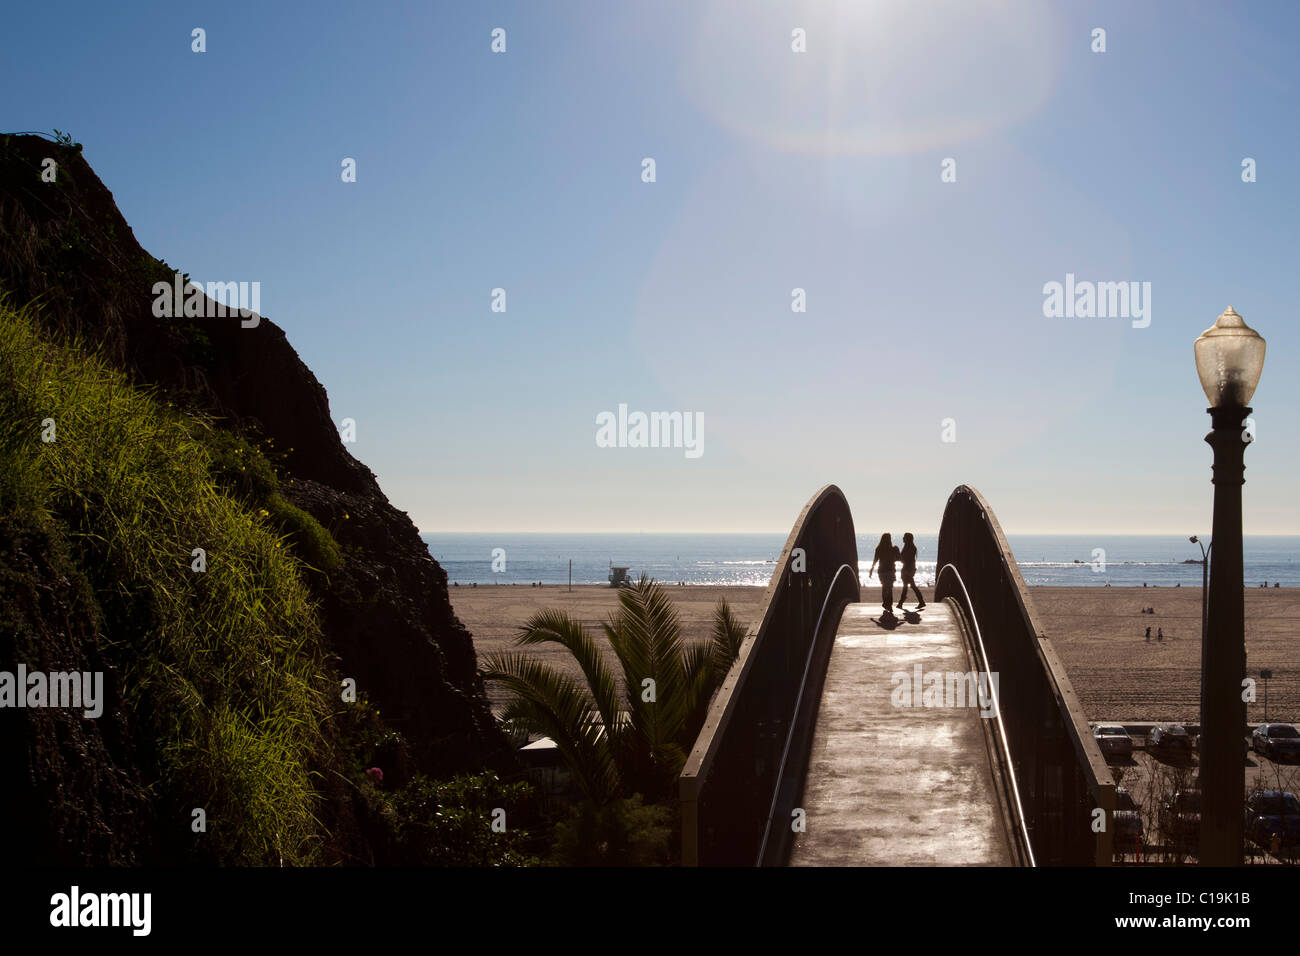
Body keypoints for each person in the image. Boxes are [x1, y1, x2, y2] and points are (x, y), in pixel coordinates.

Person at [868, 533, 900, 617]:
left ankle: (886, 603)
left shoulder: (879, 549)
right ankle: (889, 605)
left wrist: (871, 570)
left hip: (882, 571)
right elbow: (899, 559)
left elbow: (875, 560)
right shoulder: (893, 549)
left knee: (885, 587)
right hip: (890, 571)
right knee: (889, 588)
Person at [896, 532, 925, 610]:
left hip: (907, 569)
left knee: (908, 586)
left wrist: (897, 554)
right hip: (910, 568)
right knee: (910, 586)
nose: (903, 538)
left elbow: (903, 559)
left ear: (907, 539)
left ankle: (901, 602)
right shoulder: (912, 547)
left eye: (904, 537)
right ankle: (901, 602)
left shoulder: (907, 547)